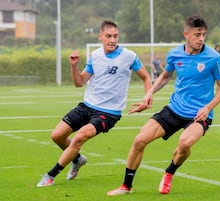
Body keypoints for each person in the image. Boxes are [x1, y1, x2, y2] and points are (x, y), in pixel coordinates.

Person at [107, 15, 220, 196]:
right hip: (174, 109)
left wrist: (208, 107)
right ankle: (126, 186)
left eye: (204, 34)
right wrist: (149, 93)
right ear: (186, 34)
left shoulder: (214, 57)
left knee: (184, 143)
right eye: (197, 34)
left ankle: (169, 172)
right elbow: (165, 76)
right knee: (139, 140)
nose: (201, 39)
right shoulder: (174, 54)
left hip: (199, 114)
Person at [36, 20, 152, 187]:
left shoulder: (129, 56)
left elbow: (146, 77)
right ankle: (77, 159)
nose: (112, 40)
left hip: (109, 112)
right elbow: (79, 82)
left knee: (79, 137)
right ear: (100, 37)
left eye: (115, 36)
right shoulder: (95, 56)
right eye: (108, 36)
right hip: (87, 106)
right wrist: (74, 67)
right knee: (57, 136)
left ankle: (50, 176)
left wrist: (147, 97)